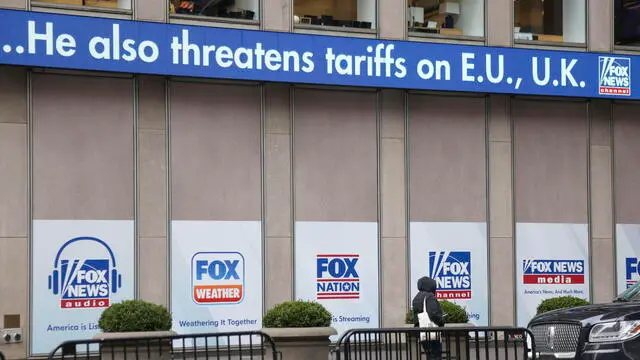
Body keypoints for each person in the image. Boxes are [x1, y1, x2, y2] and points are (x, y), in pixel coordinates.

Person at [412, 276, 444, 360]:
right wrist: (441, 322)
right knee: (436, 356)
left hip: (422, 332)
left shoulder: (417, 297)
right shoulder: (429, 296)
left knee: (429, 355)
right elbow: (434, 314)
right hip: (432, 332)